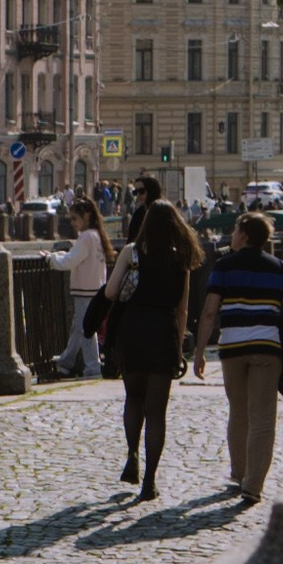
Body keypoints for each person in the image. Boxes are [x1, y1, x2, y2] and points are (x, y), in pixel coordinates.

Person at [193, 206, 283, 507]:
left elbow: (209, 312)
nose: (232, 235)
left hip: (232, 350)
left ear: (243, 235)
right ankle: (254, 485)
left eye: (235, 231)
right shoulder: (279, 268)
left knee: (238, 412)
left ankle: (239, 473)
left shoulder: (224, 266)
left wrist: (199, 352)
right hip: (267, 349)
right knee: (263, 418)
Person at [104, 197, 202, 500]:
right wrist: (182, 344)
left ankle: (132, 454)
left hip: (133, 329)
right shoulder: (182, 258)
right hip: (162, 332)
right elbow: (182, 309)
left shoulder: (132, 253)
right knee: (157, 412)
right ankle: (150, 482)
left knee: (133, 398)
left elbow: (110, 292)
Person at [60, 194, 111, 375]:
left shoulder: (86, 237)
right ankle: (66, 362)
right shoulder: (97, 235)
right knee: (79, 327)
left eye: (75, 218)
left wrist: (51, 260)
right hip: (95, 289)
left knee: (85, 329)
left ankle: (92, 367)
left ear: (86, 216)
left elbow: (71, 260)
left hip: (84, 290)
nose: (72, 223)